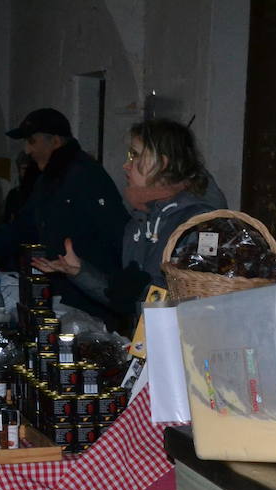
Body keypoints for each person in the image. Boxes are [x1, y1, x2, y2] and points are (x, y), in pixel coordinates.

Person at [32, 118, 226, 334]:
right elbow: (125, 298)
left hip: (185, 354)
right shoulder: (139, 223)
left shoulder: (198, 223)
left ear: (161, 163)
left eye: (135, 155)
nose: (127, 165)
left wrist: (143, 289)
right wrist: (80, 271)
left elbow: (202, 301)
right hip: (147, 347)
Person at [0, 108, 128, 329]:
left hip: (91, 299)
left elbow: (117, 234)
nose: (27, 150)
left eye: (32, 141)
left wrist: (118, 294)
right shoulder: (49, 180)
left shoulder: (86, 175)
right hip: (62, 294)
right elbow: (23, 225)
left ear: (56, 141)